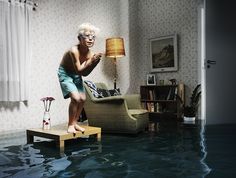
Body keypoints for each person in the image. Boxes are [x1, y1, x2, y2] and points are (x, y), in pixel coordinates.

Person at [57, 23, 102, 133]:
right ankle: (70, 125)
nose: (90, 39)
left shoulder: (90, 54)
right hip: (66, 73)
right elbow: (78, 69)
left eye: (93, 37)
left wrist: (95, 62)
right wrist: (91, 61)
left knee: (82, 99)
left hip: (77, 74)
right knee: (76, 98)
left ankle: (75, 123)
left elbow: (84, 73)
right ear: (79, 38)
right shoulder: (74, 51)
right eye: (87, 36)